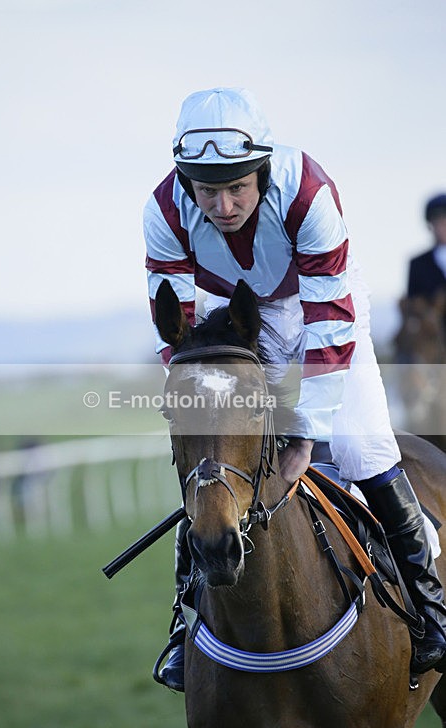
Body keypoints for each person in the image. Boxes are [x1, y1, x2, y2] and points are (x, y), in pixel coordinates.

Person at [143, 87, 446, 691]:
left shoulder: (308, 192)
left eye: (237, 188)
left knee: (361, 449)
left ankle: (429, 607)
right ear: (186, 182)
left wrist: (304, 432)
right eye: (208, 191)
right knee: (213, 463)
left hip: (321, 311)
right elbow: (178, 325)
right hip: (235, 325)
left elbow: (329, 324)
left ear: (261, 169)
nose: (223, 205)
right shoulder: (163, 210)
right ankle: (185, 625)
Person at [407, 194, 446, 299]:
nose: (443, 226)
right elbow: (412, 302)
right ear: (430, 224)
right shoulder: (418, 264)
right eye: (438, 221)